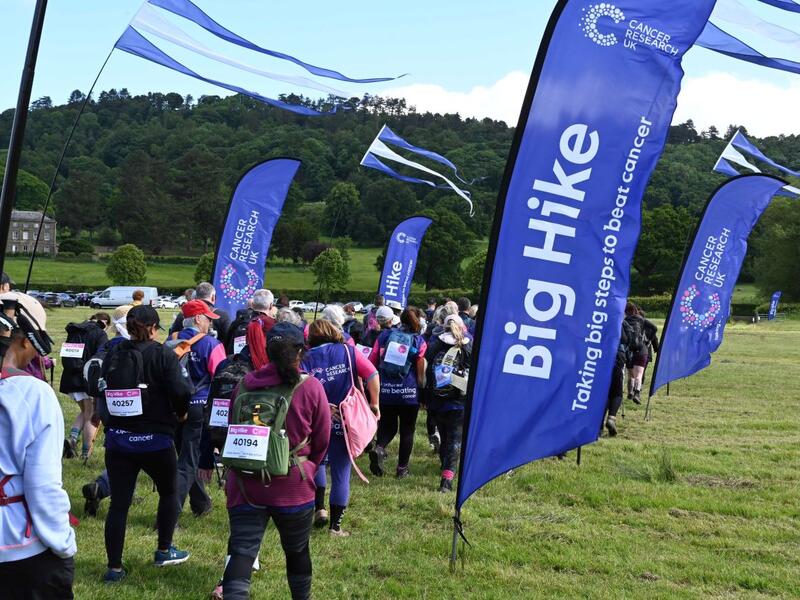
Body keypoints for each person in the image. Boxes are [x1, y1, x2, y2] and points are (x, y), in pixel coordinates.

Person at [222, 322, 330, 600]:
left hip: (245, 484)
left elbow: (231, 426)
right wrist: (308, 467)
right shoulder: (311, 387)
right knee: (296, 551)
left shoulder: (244, 384)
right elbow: (322, 440)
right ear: (300, 352)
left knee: (242, 552)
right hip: (293, 485)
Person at [101, 305, 192, 582]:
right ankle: (164, 549)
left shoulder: (114, 353)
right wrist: (181, 413)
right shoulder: (164, 354)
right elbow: (180, 390)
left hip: (119, 441)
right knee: (168, 492)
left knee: (119, 504)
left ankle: (114, 569)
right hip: (156, 439)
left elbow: (102, 388)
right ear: (153, 328)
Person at [0, 292, 76, 599]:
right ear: (25, 341)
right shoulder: (34, 394)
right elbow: (42, 485)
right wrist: (63, 543)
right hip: (21, 551)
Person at [301, 320, 379, 536]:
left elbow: (299, 387)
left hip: (316, 420)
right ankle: (335, 527)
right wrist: (375, 403)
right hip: (345, 421)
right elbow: (372, 374)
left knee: (316, 463)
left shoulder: (305, 358)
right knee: (341, 471)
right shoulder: (348, 351)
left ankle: (320, 508)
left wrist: (322, 405)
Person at [173, 300, 226, 518]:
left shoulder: (171, 342)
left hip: (175, 407)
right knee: (187, 463)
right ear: (197, 318)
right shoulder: (212, 345)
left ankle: (201, 503)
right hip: (199, 406)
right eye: (207, 319)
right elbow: (221, 378)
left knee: (186, 457)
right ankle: (169, 515)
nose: (210, 325)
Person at [82, 304, 134, 517]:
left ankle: (105, 488)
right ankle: (105, 488)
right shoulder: (129, 348)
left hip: (106, 407)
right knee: (132, 458)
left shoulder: (106, 345)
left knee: (118, 453)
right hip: (128, 409)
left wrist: (96, 407)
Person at [368, 306, 427, 478]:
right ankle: (402, 469)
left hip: (385, 390)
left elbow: (372, 361)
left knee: (387, 425)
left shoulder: (384, 336)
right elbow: (421, 367)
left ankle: (379, 449)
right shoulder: (419, 341)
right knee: (407, 431)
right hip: (409, 392)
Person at [425, 314, 472, 492]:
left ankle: (444, 466)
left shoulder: (435, 344)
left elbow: (426, 366)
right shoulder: (468, 344)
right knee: (455, 438)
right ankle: (447, 478)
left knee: (445, 436)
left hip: (436, 400)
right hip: (459, 400)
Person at [61, 311, 110, 459]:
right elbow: (101, 357)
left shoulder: (75, 330)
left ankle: (72, 439)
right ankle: (85, 454)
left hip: (70, 378)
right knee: (91, 415)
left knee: (84, 411)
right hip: (87, 379)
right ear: (105, 323)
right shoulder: (100, 334)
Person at [605, 316, 633, 437]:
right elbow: (628, 340)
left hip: (600, 355)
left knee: (603, 390)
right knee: (617, 391)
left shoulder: (601, 317)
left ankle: (598, 423)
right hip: (618, 356)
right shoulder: (622, 322)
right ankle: (611, 418)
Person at [624, 302, 656, 404]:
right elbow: (654, 328)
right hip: (641, 349)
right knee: (639, 374)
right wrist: (648, 340)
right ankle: (637, 393)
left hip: (629, 350)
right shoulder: (641, 319)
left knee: (630, 374)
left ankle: (630, 392)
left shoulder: (624, 321)